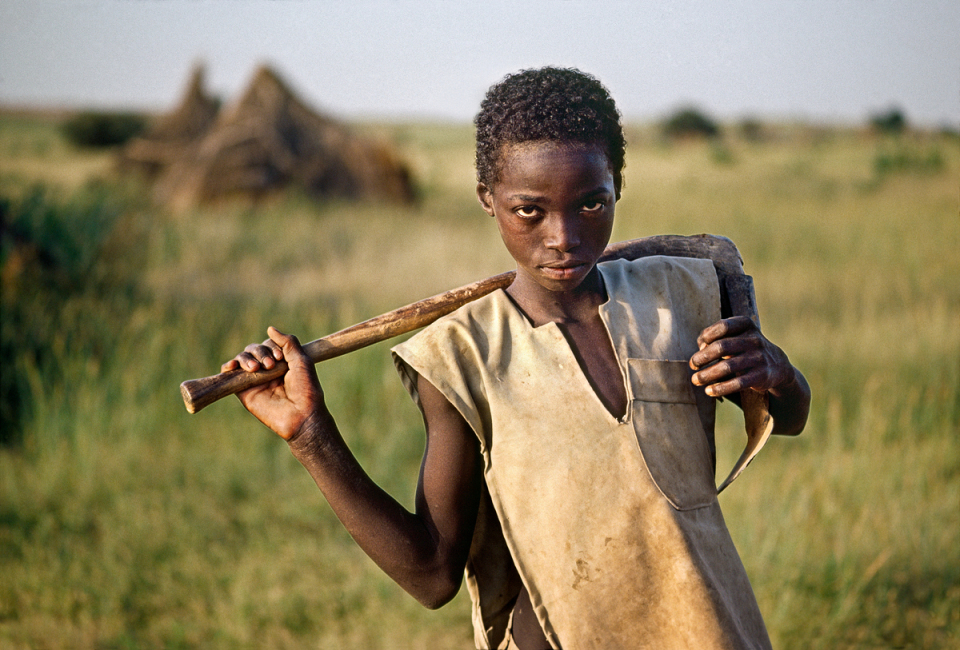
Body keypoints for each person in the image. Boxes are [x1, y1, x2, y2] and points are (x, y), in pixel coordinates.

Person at [223, 67, 811, 649]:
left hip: (707, 626)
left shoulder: (677, 297)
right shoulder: (462, 355)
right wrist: (309, 434)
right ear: (489, 198)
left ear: (617, 188)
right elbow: (431, 575)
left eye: (591, 205)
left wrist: (779, 375)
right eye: (530, 210)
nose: (563, 236)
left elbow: (787, 418)